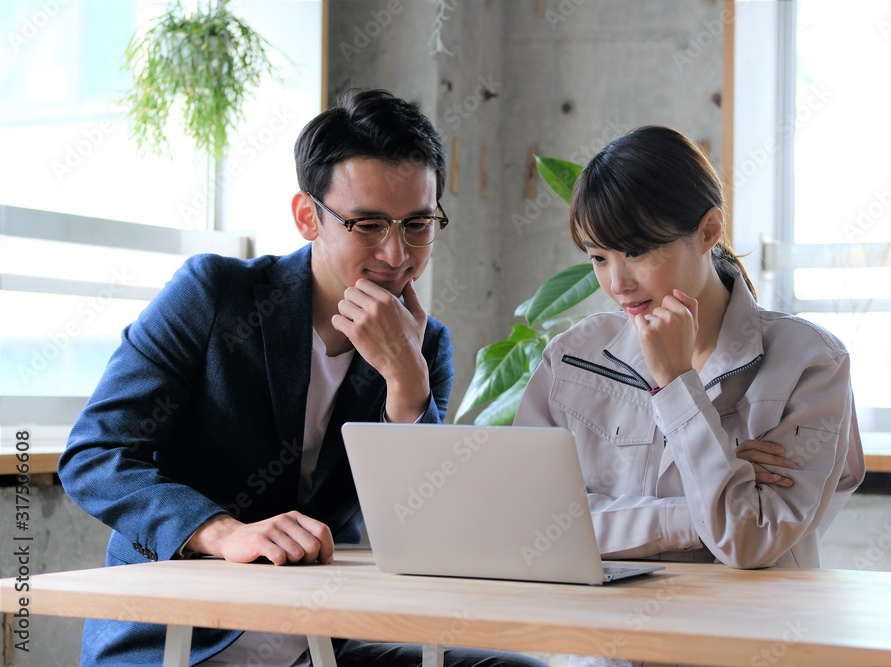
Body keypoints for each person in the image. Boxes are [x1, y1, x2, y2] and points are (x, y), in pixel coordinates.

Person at [59, 88, 547, 667]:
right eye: (368, 224)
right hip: (179, 640)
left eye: (418, 223)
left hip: (317, 646)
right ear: (307, 216)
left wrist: (406, 385)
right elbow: (94, 454)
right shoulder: (215, 296)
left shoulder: (424, 344)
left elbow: (424, 534)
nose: (397, 254)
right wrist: (221, 532)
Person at [514, 125, 865, 571]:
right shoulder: (572, 357)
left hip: (747, 636)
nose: (618, 284)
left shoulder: (811, 363)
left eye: (637, 252)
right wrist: (695, 509)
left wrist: (677, 384)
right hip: (608, 637)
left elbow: (750, 539)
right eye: (599, 257)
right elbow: (528, 523)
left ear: (708, 231)